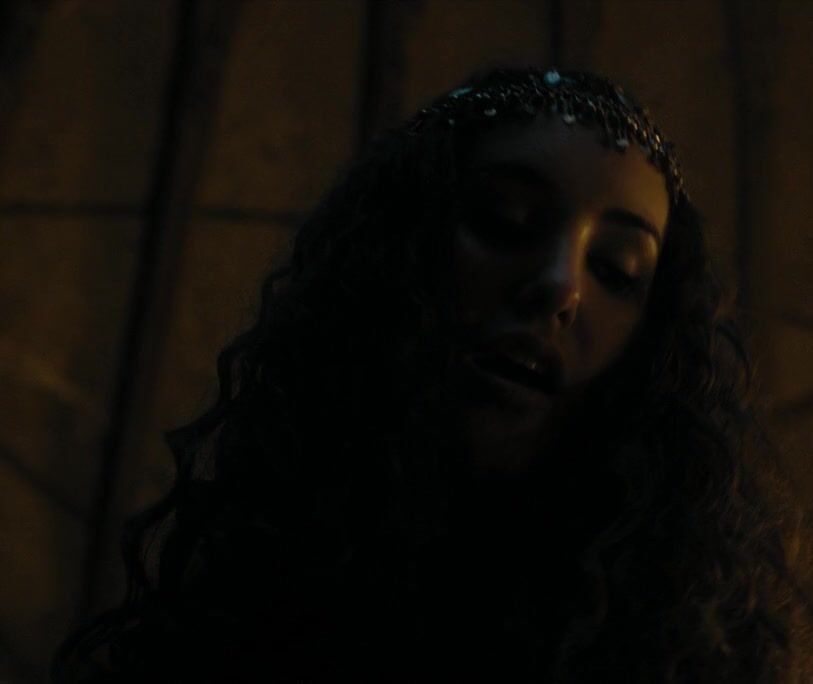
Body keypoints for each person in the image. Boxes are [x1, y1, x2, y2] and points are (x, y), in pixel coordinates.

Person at [53, 66, 813, 683]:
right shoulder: (233, 613)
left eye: (616, 270)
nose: (560, 287)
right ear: (396, 254)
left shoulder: (671, 653)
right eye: (506, 223)